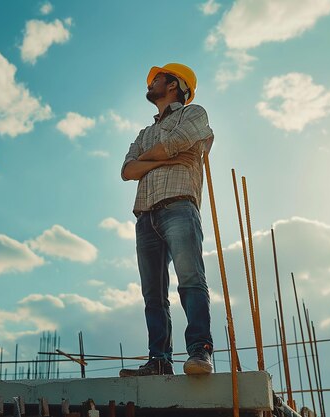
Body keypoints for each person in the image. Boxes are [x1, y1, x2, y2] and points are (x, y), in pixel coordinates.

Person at [119, 63, 214, 377]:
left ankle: (199, 352)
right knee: (153, 295)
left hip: (179, 206)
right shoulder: (144, 133)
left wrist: (149, 159)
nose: (152, 83)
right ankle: (159, 360)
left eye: (157, 78)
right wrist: (170, 157)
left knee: (190, 280)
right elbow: (126, 172)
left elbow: (171, 145)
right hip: (145, 214)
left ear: (173, 84)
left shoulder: (193, 114)